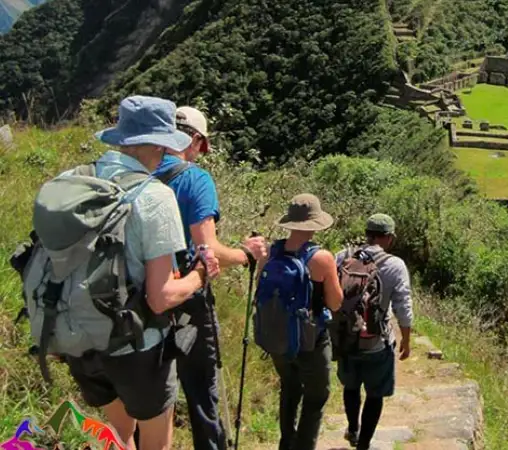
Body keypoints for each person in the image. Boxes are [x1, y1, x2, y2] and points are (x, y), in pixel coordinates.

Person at [63, 96, 221, 450]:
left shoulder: (73, 180)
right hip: (134, 347)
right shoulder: (155, 196)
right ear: (162, 142)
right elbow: (161, 297)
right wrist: (200, 275)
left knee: (119, 435)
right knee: (154, 440)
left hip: (77, 339)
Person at [144, 105, 267, 450]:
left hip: (139, 296)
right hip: (187, 295)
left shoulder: (140, 173)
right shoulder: (195, 179)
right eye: (203, 145)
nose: (201, 153)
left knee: (148, 391)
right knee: (200, 387)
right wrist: (246, 254)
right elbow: (207, 247)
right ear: (195, 140)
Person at [254, 193, 343, 450]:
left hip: (277, 336)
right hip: (310, 341)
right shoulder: (322, 258)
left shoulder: (271, 252)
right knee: (317, 396)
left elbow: (261, 288)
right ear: (315, 224)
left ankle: (286, 442)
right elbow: (335, 303)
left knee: (290, 388)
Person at [335, 214, 413, 450]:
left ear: (367, 232)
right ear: (389, 237)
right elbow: (403, 305)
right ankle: (364, 444)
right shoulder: (394, 265)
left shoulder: (343, 256)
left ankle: (353, 429)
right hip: (376, 341)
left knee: (350, 386)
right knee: (375, 393)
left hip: (346, 337)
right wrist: (406, 340)